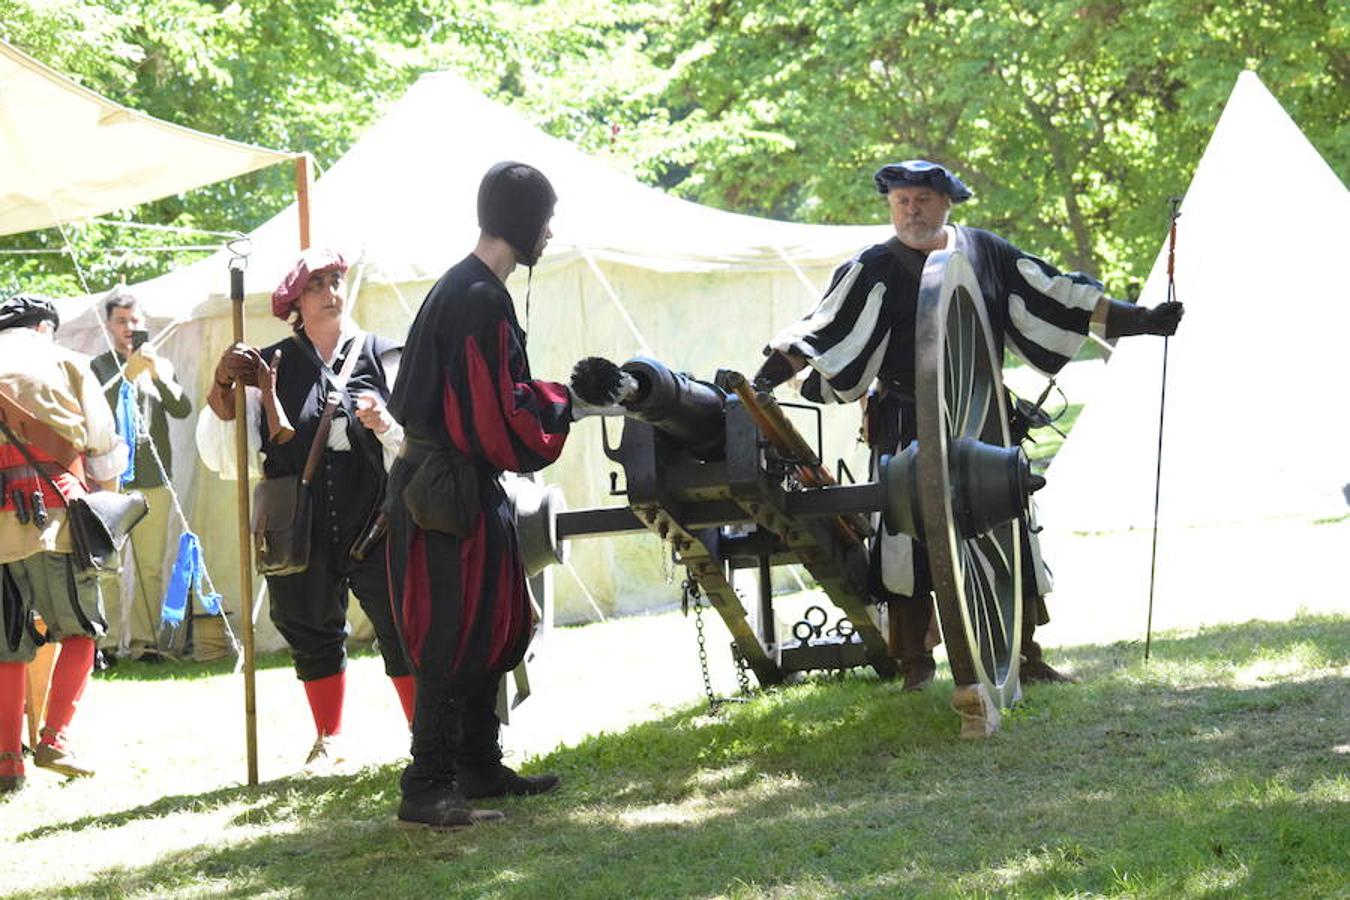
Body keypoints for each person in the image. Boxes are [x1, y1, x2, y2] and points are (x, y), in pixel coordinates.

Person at [752, 159, 1183, 692]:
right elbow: (823, 331)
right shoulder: (872, 267)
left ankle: (1024, 654)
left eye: (923, 200)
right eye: (902, 201)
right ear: (890, 206)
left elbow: (1059, 297)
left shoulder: (985, 252)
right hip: (907, 421)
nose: (912, 210)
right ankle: (914, 664)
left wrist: (1142, 320)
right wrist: (769, 376)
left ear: (946, 203)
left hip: (982, 415)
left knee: (1007, 525)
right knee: (908, 537)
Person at [385, 161, 626, 829]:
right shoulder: (479, 297)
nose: (549, 232)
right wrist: (565, 405)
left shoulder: (465, 288)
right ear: (523, 221)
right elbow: (494, 419)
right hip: (444, 491)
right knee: (448, 635)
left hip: (452, 485)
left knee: (487, 621)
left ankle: (477, 766)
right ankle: (427, 786)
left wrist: (554, 401)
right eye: (544, 218)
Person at [197, 248, 415, 768]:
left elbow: (416, 446)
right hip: (296, 514)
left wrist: (383, 425)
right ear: (296, 299)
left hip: (374, 509)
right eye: (317, 284)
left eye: (336, 280)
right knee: (309, 624)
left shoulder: (383, 354)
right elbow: (226, 454)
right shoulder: (269, 365)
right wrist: (225, 384)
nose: (331, 291)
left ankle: (422, 732)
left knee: (400, 620)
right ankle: (329, 737)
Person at [0, 294, 130, 791]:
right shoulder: (66, 363)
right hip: (55, 519)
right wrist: (106, 520)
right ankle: (54, 738)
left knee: (8, 646)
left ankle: (8, 763)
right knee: (81, 629)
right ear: (43, 328)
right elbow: (102, 450)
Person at [90, 286, 192, 663]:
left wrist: (156, 376)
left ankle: (146, 644)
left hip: (154, 478)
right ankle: (107, 645)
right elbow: (99, 411)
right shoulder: (99, 366)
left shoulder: (158, 363)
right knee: (110, 568)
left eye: (135, 320)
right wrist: (127, 376)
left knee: (149, 567)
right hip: (112, 479)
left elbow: (182, 408)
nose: (129, 328)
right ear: (108, 325)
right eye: (121, 321)